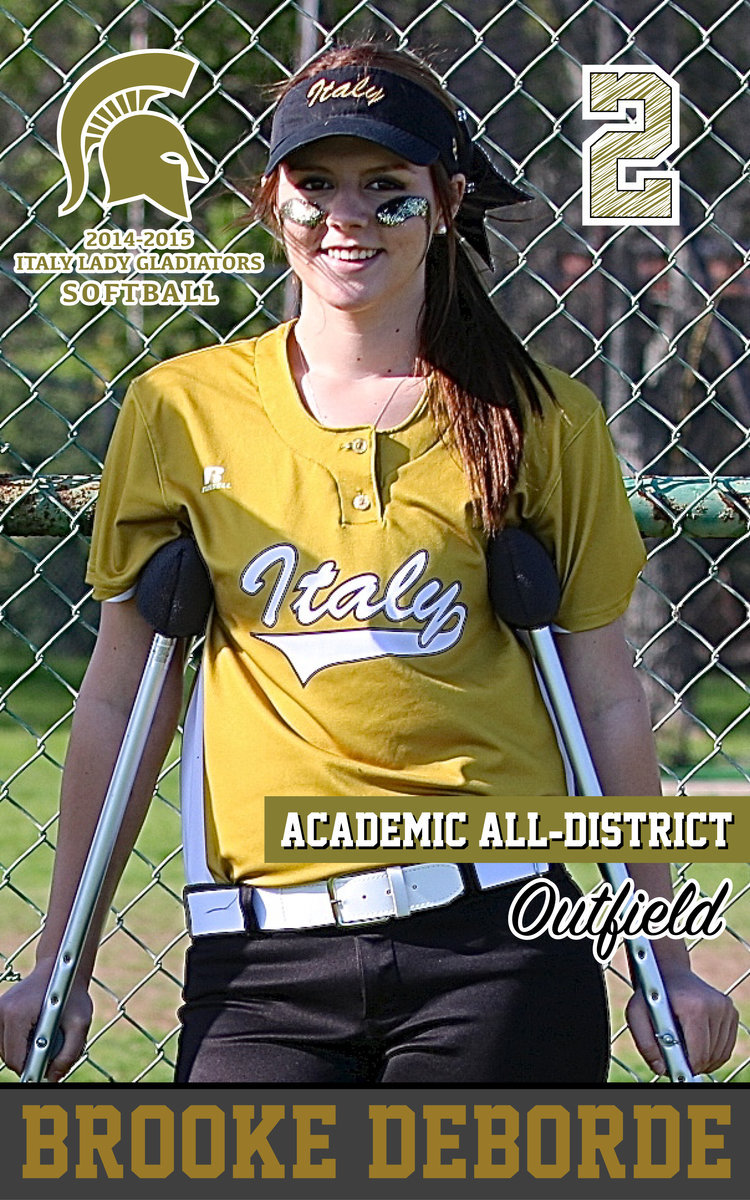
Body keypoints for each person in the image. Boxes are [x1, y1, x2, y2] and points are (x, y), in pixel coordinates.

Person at [0, 42, 738, 1085]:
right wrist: (57, 968)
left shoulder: (539, 421)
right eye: (317, 187)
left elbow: (607, 698)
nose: (347, 220)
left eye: (388, 192)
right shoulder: (181, 407)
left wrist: (665, 960)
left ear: (445, 205)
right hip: (258, 961)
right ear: (272, 205)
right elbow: (122, 699)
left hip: (500, 943)